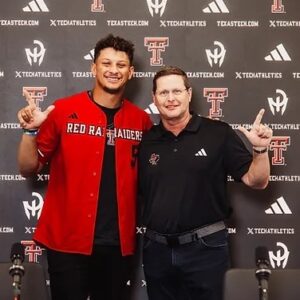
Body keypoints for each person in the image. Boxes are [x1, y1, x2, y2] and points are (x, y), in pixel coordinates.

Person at [17, 34, 152, 300]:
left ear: (131, 72)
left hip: (117, 244)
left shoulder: (141, 121)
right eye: (106, 63)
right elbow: (28, 167)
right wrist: (30, 132)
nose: (113, 70)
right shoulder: (63, 111)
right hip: (67, 241)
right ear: (94, 67)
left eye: (121, 65)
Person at [138, 66, 273, 300]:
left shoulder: (218, 133)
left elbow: (257, 181)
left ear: (189, 94)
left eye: (177, 91)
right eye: (163, 93)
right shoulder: (147, 139)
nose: (171, 99)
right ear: (154, 98)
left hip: (206, 249)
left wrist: (260, 149)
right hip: (156, 250)